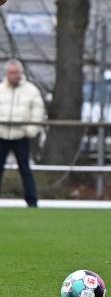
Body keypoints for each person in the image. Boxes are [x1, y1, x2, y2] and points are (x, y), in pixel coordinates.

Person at [0, 59, 45, 207]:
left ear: (21, 73)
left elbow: (38, 111)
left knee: (25, 169)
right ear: (7, 74)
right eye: (11, 73)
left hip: (21, 136)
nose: (14, 76)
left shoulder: (31, 90)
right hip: (2, 134)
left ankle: (32, 202)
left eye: (16, 73)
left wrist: (30, 131)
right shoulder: (1, 89)